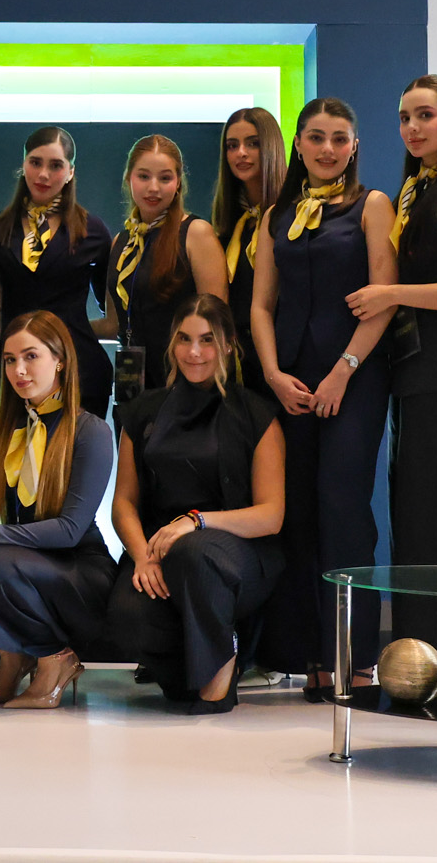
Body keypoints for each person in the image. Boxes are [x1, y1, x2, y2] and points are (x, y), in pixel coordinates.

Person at [250, 99, 395, 698]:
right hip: (291, 381)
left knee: (344, 508)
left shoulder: (373, 205)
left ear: (354, 145)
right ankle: (311, 652)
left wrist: (343, 371)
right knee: (299, 515)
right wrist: (273, 374)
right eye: (316, 137)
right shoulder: (276, 215)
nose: (327, 149)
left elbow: (385, 297)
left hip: (354, 376)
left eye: (339, 138)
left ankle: (357, 657)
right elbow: (262, 305)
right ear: (299, 145)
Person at [353, 75, 437, 650]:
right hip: (412, 367)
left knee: (432, 512)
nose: (413, 127)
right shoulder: (415, 187)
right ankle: (414, 647)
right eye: (405, 117)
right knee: (411, 509)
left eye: (426, 115)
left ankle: (433, 645)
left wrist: (391, 293)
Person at [0, 311, 116, 709]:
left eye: (31, 356)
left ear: (59, 360)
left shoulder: (91, 431)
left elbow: (68, 530)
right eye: (10, 360)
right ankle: (13, 657)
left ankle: (55, 659)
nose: (19, 370)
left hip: (79, 569)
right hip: (25, 561)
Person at [108, 296, 285, 714]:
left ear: (228, 345)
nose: (194, 352)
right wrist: (141, 557)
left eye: (207, 340)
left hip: (238, 555)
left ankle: (218, 673)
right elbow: (124, 503)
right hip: (161, 552)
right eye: (184, 339)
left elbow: (271, 516)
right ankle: (189, 672)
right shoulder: (142, 411)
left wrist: (196, 521)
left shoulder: (256, 414)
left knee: (194, 552)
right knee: (125, 617)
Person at [0, 126, 113, 418]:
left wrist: (70, 326)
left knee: (77, 449)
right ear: (23, 165)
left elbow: (111, 314)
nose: (43, 174)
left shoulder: (92, 231)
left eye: (56, 165)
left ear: (70, 172)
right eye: (35, 162)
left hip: (78, 372)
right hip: (15, 376)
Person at [103, 135, 227, 402]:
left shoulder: (195, 233)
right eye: (143, 176)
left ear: (178, 182)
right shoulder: (121, 243)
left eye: (165, 178)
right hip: (133, 385)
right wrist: (61, 325)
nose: (153, 188)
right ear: (128, 178)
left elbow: (218, 325)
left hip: (186, 383)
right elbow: (113, 324)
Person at [214, 107, 285, 396]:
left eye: (253, 143)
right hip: (237, 361)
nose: (241, 153)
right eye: (232, 146)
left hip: (285, 358)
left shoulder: (297, 217)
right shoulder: (227, 224)